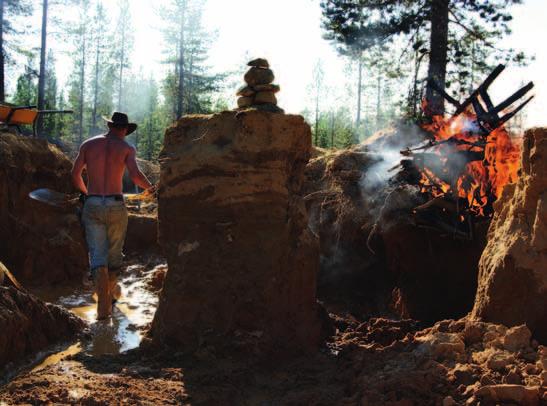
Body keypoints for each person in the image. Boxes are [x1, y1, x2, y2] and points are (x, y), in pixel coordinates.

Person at [71, 112, 155, 320]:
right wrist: (153, 189)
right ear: (125, 129)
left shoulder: (88, 145)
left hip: (92, 204)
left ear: (110, 126)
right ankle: (108, 299)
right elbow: (136, 176)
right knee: (114, 254)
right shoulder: (126, 148)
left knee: (98, 257)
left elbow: (74, 174)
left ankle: (103, 309)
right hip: (116, 204)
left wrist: (86, 193)